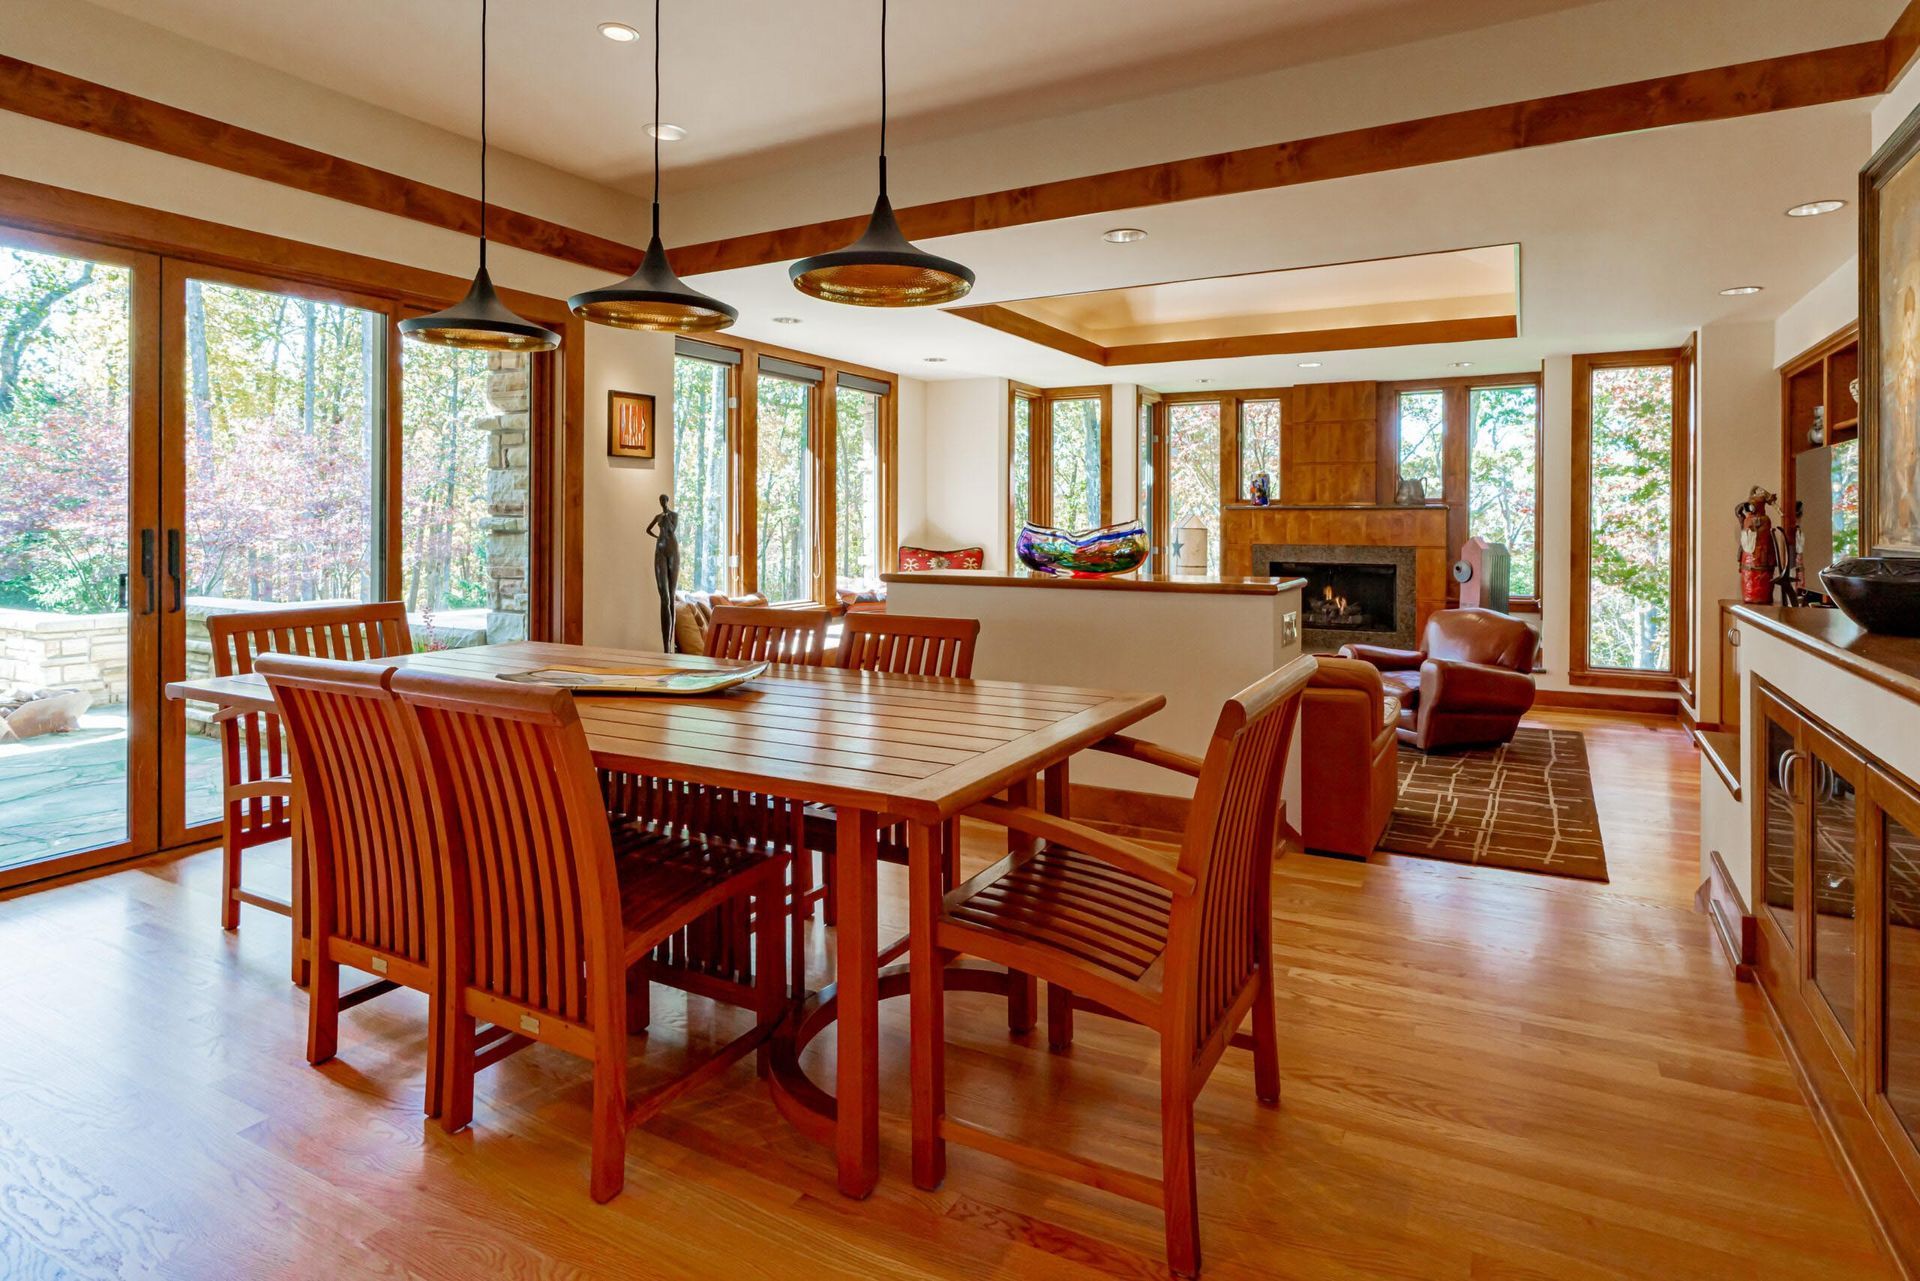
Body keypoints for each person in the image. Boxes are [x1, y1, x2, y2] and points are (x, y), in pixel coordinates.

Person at [646, 494, 680, 652]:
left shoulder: (673, 515)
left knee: (671, 596)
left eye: (664, 500)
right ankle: (665, 647)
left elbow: (672, 530)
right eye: (660, 501)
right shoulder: (657, 516)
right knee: (664, 596)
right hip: (659, 551)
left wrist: (666, 520)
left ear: (667, 501)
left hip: (672, 551)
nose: (663, 503)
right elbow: (647, 529)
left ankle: (670, 643)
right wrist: (657, 538)